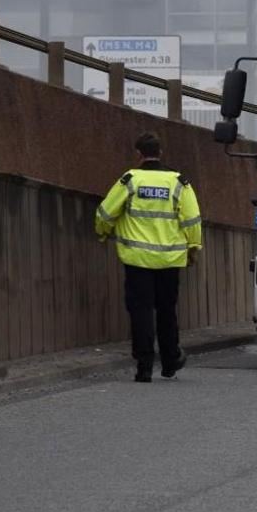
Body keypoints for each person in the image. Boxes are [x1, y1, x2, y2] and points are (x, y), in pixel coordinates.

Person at [94, 132, 203, 382]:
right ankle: (170, 361)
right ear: (161, 153)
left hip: (137, 260)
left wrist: (103, 233)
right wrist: (193, 248)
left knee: (140, 311)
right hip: (169, 261)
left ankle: (144, 367)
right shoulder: (178, 183)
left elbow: (105, 213)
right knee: (167, 310)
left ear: (138, 154)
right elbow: (192, 219)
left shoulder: (129, 180)